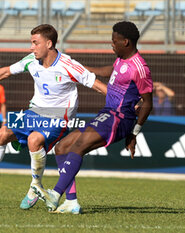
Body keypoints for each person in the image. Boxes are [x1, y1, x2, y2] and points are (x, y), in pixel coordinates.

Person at [0, 24, 107, 210]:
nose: (31, 47)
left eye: (35, 43)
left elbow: (96, 84)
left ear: (49, 43)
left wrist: (122, 103)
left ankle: (35, 186)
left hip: (58, 117)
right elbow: (5, 71)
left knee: (33, 139)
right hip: (34, 112)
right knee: (0, 135)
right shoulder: (31, 60)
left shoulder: (68, 65)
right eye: (31, 43)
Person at [30, 21, 153, 214]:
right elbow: (111, 73)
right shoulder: (121, 59)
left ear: (126, 42)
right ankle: (71, 202)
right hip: (107, 114)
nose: (111, 44)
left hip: (120, 118)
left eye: (114, 41)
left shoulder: (140, 67)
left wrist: (134, 133)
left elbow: (148, 103)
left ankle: (55, 194)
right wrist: (78, 68)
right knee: (61, 147)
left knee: (78, 146)